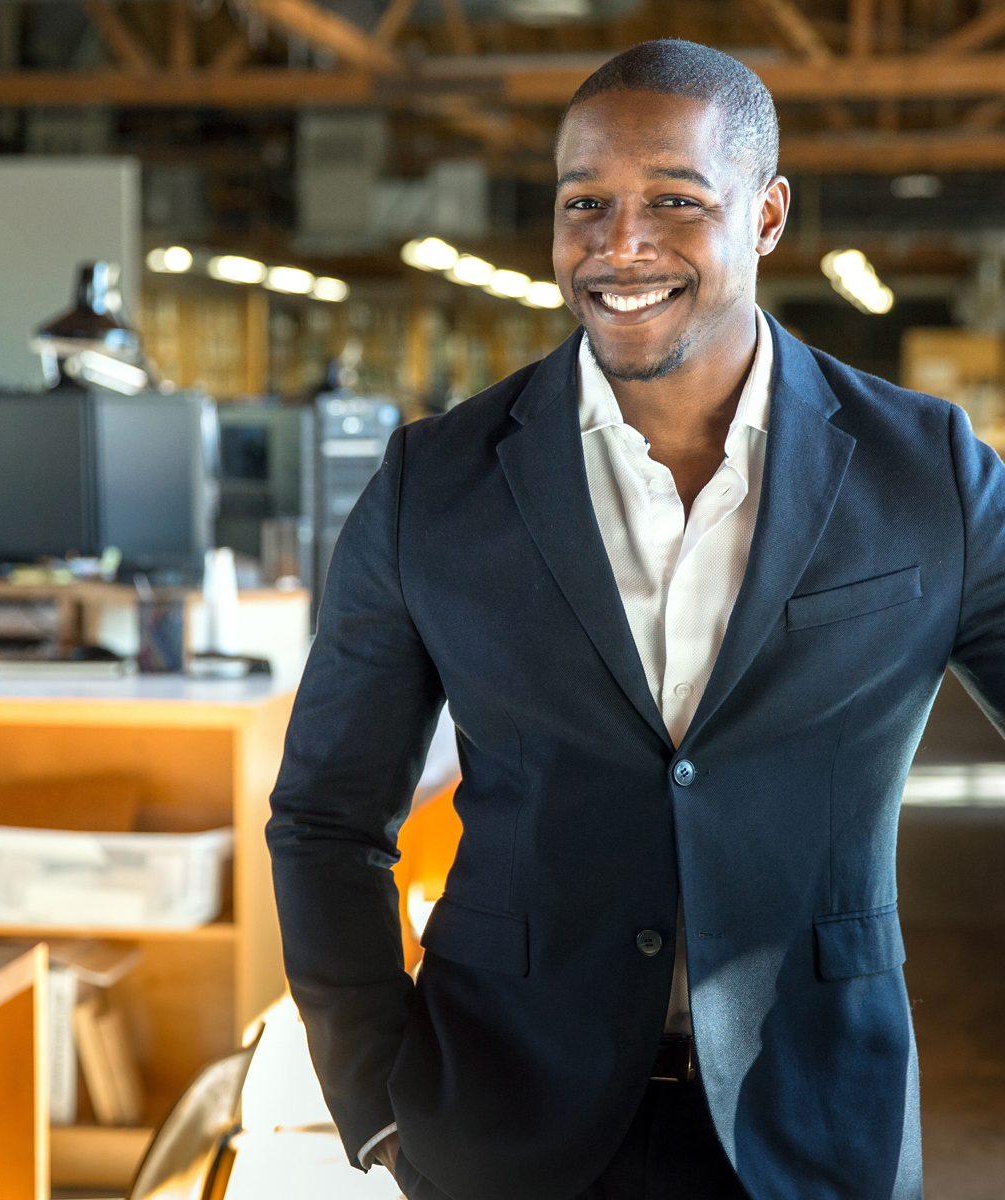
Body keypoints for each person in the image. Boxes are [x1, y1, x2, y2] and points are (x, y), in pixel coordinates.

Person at [267, 39, 1005, 1200]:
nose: (620, 246)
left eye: (674, 199)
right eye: (584, 204)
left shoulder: (928, 475)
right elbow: (324, 818)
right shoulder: (434, 484)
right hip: (501, 1123)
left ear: (764, 217)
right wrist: (377, 1105)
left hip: (814, 1124)